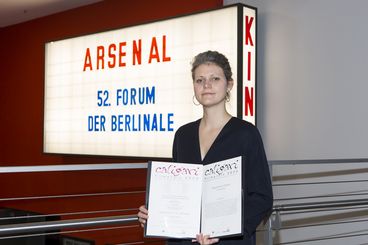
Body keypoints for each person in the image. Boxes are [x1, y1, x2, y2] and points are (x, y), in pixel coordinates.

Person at [138, 50, 273, 245]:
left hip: (228, 241)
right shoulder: (183, 135)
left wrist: (226, 230)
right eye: (199, 80)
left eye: (215, 78)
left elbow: (262, 197)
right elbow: (177, 190)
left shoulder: (246, 134)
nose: (206, 85)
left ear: (229, 85)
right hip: (183, 241)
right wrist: (155, 215)